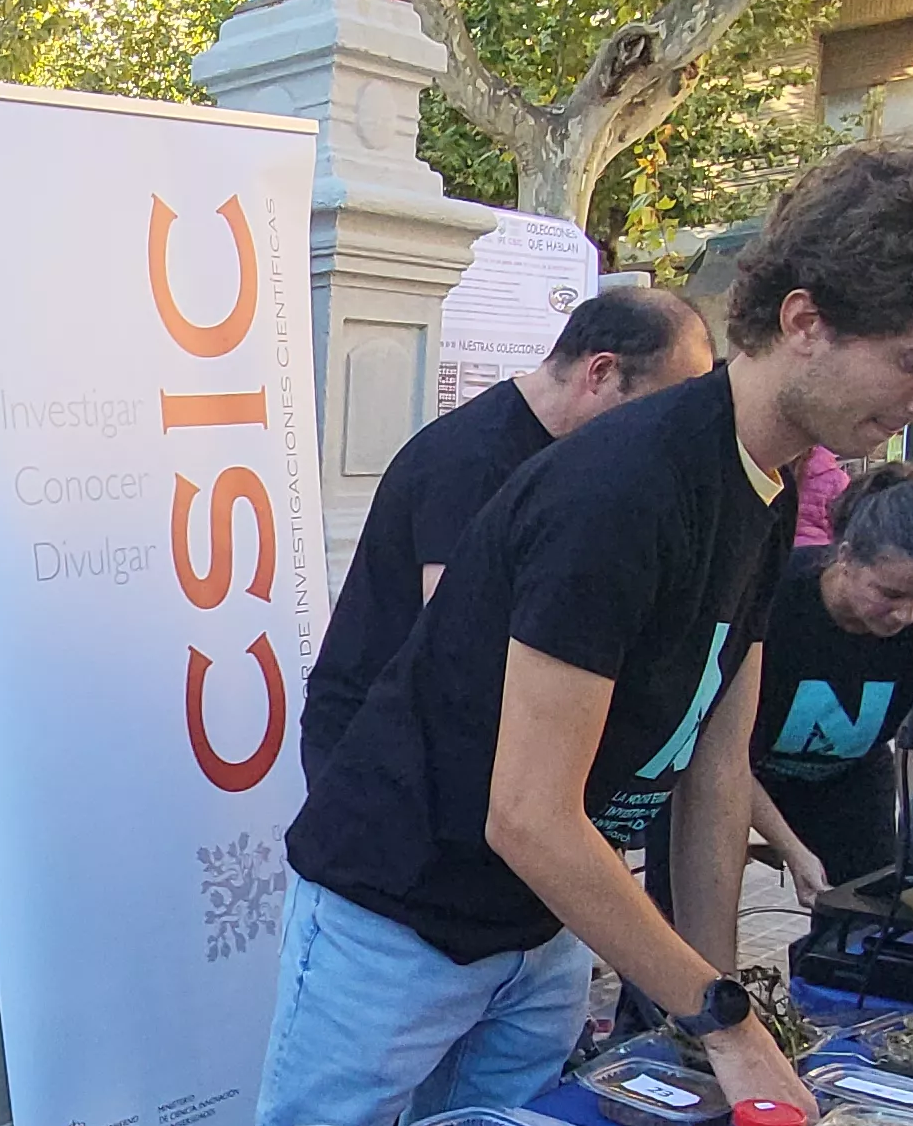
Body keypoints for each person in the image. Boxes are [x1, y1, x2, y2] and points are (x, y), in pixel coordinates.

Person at [263, 141, 913, 1126]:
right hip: (400, 910)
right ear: (805, 320)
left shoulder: (768, 482)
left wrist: (709, 989)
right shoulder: (623, 488)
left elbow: (715, 763)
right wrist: (721, 1021)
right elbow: (526, 812)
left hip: (548, 923)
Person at [300, 285, 713, 767]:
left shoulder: (561, 454)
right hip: (379, 756)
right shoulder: (472, 461)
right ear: (601, 372)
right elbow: (459, 649)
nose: (669, 431)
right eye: (661, 406)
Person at [738, 463, 913, 897]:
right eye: (889, 594)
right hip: (735, 768)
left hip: (848, 777)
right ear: (846, 557)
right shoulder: (773, 599)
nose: (906, 615)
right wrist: (793, 850)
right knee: (684, 913)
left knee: (870, 910)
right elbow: (720, 756)